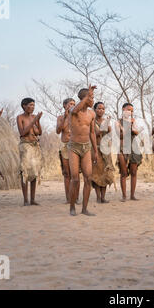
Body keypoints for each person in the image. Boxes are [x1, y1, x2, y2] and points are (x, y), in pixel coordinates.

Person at [68, 85, 99, 216]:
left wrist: (95, 150)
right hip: (74, 147)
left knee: (88, 178)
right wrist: (87, 96)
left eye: (92, 97)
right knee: (75, 179)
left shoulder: (91, 113)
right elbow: (75, 110)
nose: (93, 100)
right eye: (91, 98)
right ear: (84, 98)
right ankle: (72, 207)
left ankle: (85, 209)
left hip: (86, 147)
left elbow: (92, 132)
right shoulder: (72, 110)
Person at [17, 98, 43, 206]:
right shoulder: (20, 117)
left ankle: (32, 199)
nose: (32, 107)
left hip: (35, 146)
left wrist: (38, 121)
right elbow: (23, 132)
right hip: (25, 146)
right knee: (25, 173)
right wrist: (34, 121)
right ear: (24, 106)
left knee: (35, 172)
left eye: (33, 105)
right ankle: (25, 200)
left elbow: (39, 132)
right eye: (30, 105)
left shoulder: (33, 117)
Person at [116, 103, 143, 202]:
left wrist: (132, 127)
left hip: (133, 147)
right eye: (128, 110)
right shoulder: (118, 122)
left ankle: (132, 195)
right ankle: (124, 195)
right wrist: (129, 127)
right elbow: (120, 135)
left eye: (132, 111)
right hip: (123, 148)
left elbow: (136, 132)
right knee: (123, 173)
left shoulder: (133, 121)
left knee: (134, 172)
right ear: (123, 109)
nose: (130, 112)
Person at [91, 101, 115, 203]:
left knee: (106, 173)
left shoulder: (106, 122)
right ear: (95, 110)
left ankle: (103, 197)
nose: (101, 110)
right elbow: (94, 134)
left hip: (106, 151)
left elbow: (110, 135)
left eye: (103, 109)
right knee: (96, 173)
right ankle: (97, 197)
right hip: (95, 149)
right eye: (99, 108)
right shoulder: (91, 122)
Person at [56, 98, 76, 203]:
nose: (72, 105)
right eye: (70, 104)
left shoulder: (77, 116)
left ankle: (75, 198)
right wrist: (65, 116)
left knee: (75, 174)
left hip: (75, 146)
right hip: (65, 146)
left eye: (74, 104)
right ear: (64, 105)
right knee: (67, 173)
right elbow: (58, 130)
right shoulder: (60, 118)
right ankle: (68, 198)